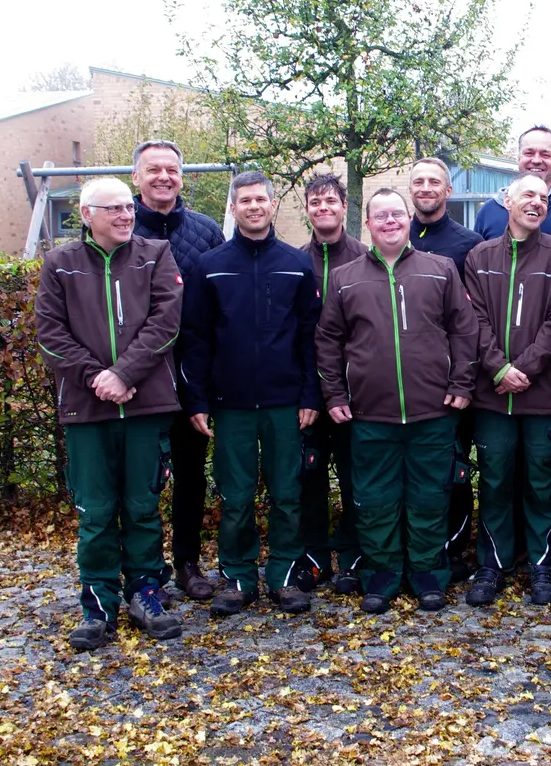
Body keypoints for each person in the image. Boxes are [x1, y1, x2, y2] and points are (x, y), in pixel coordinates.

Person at [35, 176, 184, 651]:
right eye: (113, 208)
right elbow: (49, 334)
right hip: (87, 409)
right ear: (86, 215)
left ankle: (146, 592)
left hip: (146, 404)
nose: (125, 215)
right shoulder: (60, 264)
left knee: (143, 505)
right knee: (95, 511)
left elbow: (167, 321)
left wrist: (124, 373)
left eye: (127, 207)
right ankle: (97, 602)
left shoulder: (155, 255)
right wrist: (96, 378)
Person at [315, 188, 478, 614]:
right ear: (367, 224)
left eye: (397, 214)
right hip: (370, 413)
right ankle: (381, 576)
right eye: (380, 215)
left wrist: (462, 384)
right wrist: (333, 392)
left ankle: (428, 575)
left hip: (433, 412)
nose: (390, 222)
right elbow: (328, 341)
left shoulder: (440, 269)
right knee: (374, 499)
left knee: (429, 497)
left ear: (409, 220)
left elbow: (464, 331)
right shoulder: (345, 277)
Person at [180, 171, 321, 617]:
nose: (254, 207)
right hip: (231, 404)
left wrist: (310, 395)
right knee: (236, 497)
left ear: (274, 204)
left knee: (286, 494)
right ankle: (239, 577)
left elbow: (309, 337)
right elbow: (197, 338)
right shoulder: (211, 265)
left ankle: (282, 576)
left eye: (261, 199)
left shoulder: (297, 265)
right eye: (245, 201)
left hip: (284, 403)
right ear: (234, 207)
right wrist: (197, 399)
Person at [461, 174, 551, 608]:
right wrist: (498, 367)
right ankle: (492, 564)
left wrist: (523, 368)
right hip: (492, 396)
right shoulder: (479, 256)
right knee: (494, 482)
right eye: (528, 194)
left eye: (544, 198)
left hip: (544, 394)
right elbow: (472, 322)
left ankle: (542, 566)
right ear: (506, 200)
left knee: (543, 484)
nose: (537, 202)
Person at [128, 139, 226, 603]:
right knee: (141, 478)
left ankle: (187, 562)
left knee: (191, 475)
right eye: (154, 169)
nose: (164, 176)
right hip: (138, 377)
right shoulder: (117, 229)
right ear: (136, 177)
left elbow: (223, 304)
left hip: (190, 376)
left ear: (182, 177)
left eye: (171, 169)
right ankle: (144, 571)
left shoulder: (206, 233)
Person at [407, 156, 485, 583]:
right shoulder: (394, 238)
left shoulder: (467, 243)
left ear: (447, 190)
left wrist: (466, 377)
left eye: (434, 181)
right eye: (418, 181)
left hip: (454, 383)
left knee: (453, 469)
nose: (426, 188)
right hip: (408, 383)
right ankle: (417, 547)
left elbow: (470, 320)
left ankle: (454, 548)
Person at [299, 173, 369, 596]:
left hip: (355, 393)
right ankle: (313, 558)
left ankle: (354, 556)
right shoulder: (291, 261)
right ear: (306, 210)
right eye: (315, 202)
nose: (323, 208)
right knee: (307, 478)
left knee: (355, 477)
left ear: (345, 207)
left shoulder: (366, 258)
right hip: (307, 394)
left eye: (330, 201)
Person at [473, 126, 551, 248]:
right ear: (518, 157)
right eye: (529, 153)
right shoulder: (489, 211)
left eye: (545, 154)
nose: (536, 160)